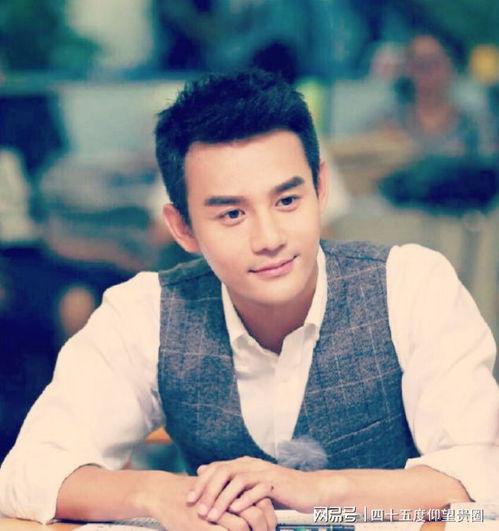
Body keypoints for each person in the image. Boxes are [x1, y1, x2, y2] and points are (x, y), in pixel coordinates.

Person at [0, 70, 497, 530]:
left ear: (321, 188)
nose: (269, 238)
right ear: (183, 228)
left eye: (287, 201)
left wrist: (315, 491)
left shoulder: (408, 285)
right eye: (232, 214)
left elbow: (482, 476)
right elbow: (27, 473)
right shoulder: (146, 313)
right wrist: (158, 494)